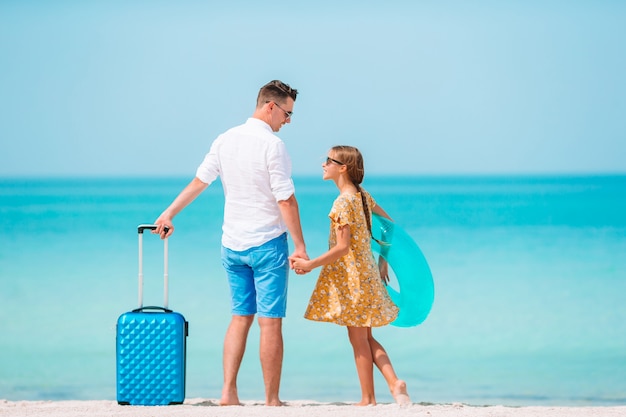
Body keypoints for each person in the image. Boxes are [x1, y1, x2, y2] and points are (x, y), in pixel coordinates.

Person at [152, 80, 308, 407]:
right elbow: (286, 199)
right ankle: (271, 400)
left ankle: (228, 394)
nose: (288, 121)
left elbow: (200, 182)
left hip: (232, 245)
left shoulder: (225, 139)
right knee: (270, 322)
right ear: (270, 106)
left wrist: (168, 213)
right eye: (287, 113)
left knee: (240, 317)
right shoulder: (272, 145)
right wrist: (300, 246)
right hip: (267, 244)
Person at [289, 145, 410, 406]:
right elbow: (390, 226)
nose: (323, 164)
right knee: (366, 337)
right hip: (366, 273)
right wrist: (382, 260)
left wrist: (310, 265)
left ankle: (368, 399)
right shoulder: (363, 196)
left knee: (358, 340)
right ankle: (394, 382)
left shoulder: (342, 202)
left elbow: (342, 248)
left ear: (342, 168)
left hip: (352, 279)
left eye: (328, 161)